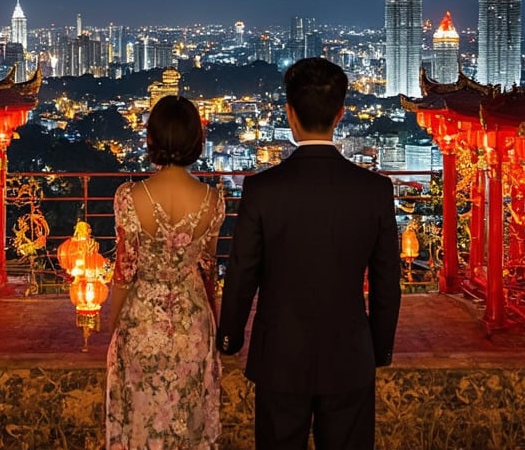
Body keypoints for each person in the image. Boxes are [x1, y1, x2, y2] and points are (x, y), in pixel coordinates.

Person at [216, 57, 401, 450]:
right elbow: (387, 282)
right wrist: (379, 347)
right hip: (349, 355)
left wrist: (230, 336)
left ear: (289, 113)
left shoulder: (263, 189)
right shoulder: (374, 191)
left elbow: (242, 273)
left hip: (279, 355)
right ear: (340, 114)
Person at [105, 94, 225, 450]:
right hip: (192, 320)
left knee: (140, 422)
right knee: (188, 423)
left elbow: (124, 272)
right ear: (196, 142)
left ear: (151, 139)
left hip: (142, 319)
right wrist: (212, 324)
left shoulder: (129, 197)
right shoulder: (212, 200)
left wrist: (114, 328)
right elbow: (208, 270)